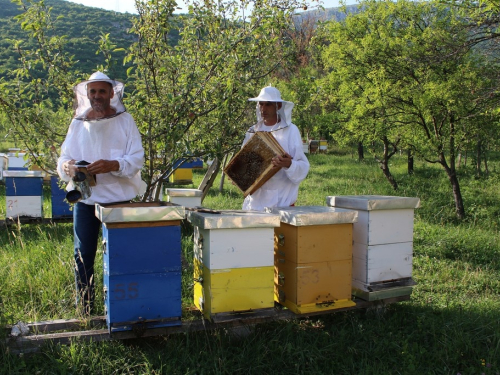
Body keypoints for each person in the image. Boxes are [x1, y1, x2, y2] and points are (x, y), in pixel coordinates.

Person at [57, 71, 145, 315]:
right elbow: (64, 157)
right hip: (86, 200)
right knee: (83, 255)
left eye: (102, 91)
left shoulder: (125, 121)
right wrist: (67, 167)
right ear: (87, 94)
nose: (97, 96)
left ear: (111, 94)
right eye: (92, 91)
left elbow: (137, 159)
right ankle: (84, 309)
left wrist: (113, 165)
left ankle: (120, 309)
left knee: (120, 255)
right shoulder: (78, 123)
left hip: (118, 201)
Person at [241, 85, 309, 211]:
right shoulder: (252, 131)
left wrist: (289, 164)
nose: (263, 108)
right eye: (261, 104)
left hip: (281, 201)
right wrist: (240, 176)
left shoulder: (291, 131)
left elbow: (303, 167)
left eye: (268, 104)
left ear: (278, 106)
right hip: (254, 203)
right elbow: (244, 162)